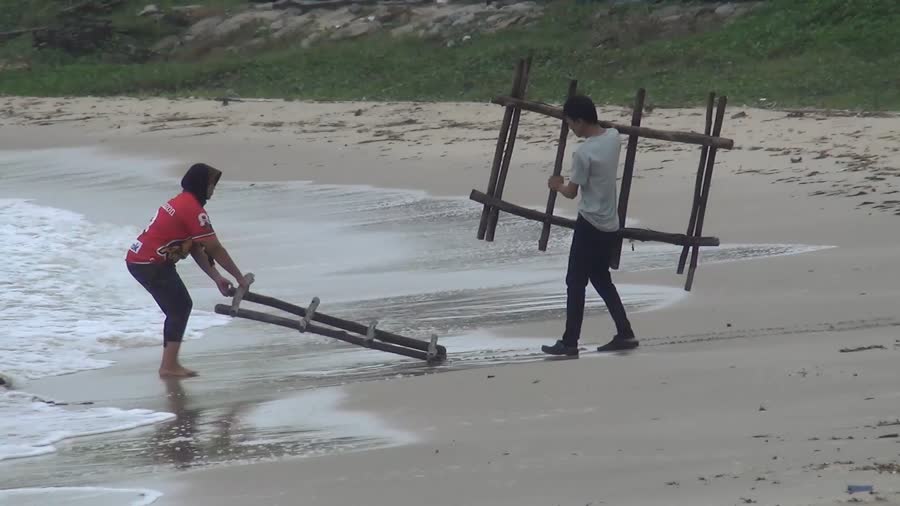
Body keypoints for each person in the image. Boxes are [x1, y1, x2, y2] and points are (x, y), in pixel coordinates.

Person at [125, 163, 249, 377]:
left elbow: (195, 248)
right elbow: (215, 248)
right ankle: (168, 366)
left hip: (140, 259)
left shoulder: (182, 202)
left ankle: (169, 364)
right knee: (179, 308)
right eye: (212, 184)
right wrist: (240, 278)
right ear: (201, 185)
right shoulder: (193, 210)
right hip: (150, 263)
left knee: (178, 308)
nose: (213, 189)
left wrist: (217, 277)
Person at [541, 95, 637, 358]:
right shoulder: (614, 137)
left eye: (571, 123)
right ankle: (625, 333)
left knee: (575, 281)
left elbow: (571, 192)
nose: (571, 128)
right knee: (601, 279)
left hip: (590, 223)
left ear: (580, 121)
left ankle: (570, 342)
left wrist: (555, 185)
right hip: (610, 223)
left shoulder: (583, 152)